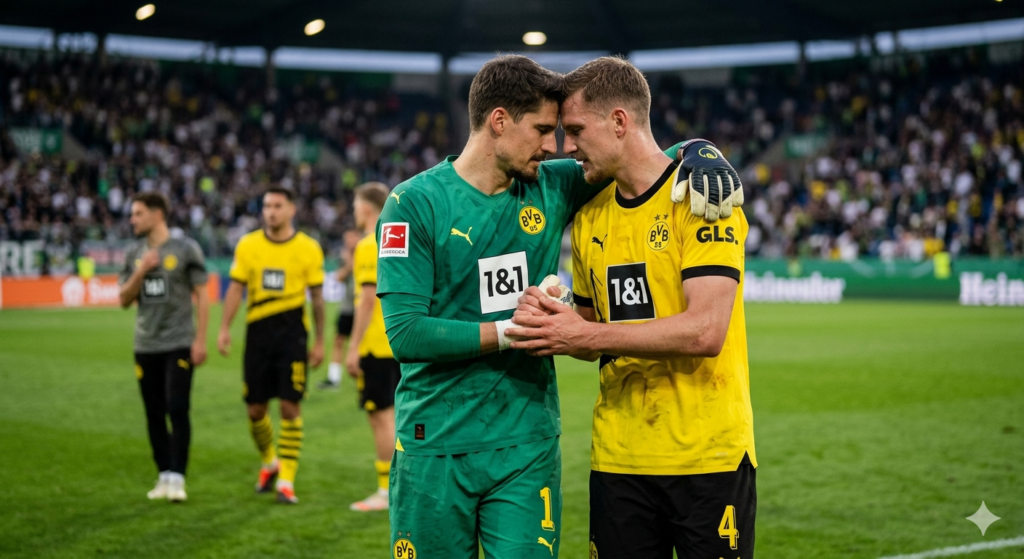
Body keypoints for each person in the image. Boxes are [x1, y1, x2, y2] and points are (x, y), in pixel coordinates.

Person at [375, 55, 741, 558]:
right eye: (544, 130)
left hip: (527, 442)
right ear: (499, 121)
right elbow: (406, 334)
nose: (555, 146)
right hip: (435, 440)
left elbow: (637, 150)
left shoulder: (551, 184)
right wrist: (513, 332)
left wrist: (701, 151)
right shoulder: (412, 204)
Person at [508, 57, 757, 559]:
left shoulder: (703, 197)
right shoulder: (589, 218)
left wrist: (586, 335)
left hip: (706, 455)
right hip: (618, 459)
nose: (566, 147)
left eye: (577, 130)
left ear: (619, 121)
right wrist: (552, 321)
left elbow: (706, 331)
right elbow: (589, 331)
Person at [217, 187, 326, 505]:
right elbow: (235, 289)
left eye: (278, 205)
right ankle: (270, 462)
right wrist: (224, 328)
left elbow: (318, 299)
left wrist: (320, 341)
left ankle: (287, 481)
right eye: (267, 206)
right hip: (258, 337)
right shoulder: (248, 245)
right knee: (255, 409)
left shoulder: (308, 248)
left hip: (293, 337)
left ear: (292, 210)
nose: (271, 211)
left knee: (290, 406)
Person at [118, 192, 209, 503]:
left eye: (138, 213)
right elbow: (123, 300)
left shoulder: (185, 249)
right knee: (153, 412)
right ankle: (163, 475)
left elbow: (203, 295)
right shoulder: (134, 253)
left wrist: (200, 339)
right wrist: (141, 270)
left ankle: (178, 478)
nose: (132, 220)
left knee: (177, 407)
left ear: (157, 215)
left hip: (179, 342)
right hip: (145, 344)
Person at [343, 183, 401, 512]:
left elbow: (367, 299)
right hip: (398, 340)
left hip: (376, 345)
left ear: (366, 208)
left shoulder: (368, 244)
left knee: (381, 417)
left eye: (355, 205)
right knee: (397, 416)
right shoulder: (396, 237)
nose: (354, 212)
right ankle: (401, 485)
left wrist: (353, 347)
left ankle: (386, 490)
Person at [320, 229, 362, 390]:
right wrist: (349, 264)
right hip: (347, 306)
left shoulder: (368, 251)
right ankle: (334, 378)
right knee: (338, 340)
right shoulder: (344, 257)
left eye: (351, 238)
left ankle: (363, 376)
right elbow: (339, 277)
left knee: (363, 343)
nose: (348, 242)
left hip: (361, 306)